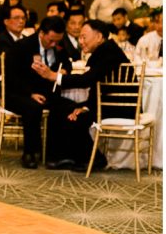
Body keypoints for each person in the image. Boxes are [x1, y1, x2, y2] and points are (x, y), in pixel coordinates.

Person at [31, 19, 128, 171]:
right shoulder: (104, 51)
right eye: (80, 38)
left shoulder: (108, 52)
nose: (80, 41)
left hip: (119, 107)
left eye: (84, 37)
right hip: (106, 103)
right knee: (62, 107)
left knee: (74, 116)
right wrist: (85, 106)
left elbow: (86, 80)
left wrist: (54, 76)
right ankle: (62, 157)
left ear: (99, 36)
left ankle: (94, 159)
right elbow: (96, 84)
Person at [3, 15, 70, 169]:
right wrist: (30, 93)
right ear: (42, 33)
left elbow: (66, 62)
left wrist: (65, 69)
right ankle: (29, 152)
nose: (54, 44)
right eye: (51, 40)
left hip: (46, 91)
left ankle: (55, 153)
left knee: (66, 106)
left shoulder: (59, 44)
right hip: (19, 92)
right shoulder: (22, 46)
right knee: (33, 107)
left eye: (57, 41)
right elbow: (12, 77)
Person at [0, 5, 26, 105]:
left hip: (24, 85)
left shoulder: (27, 40)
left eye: (23, 18)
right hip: (5, 87)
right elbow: (9, 63)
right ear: (6, 21)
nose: (21, 21)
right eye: (17, 18)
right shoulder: (0, 40)